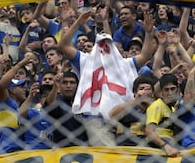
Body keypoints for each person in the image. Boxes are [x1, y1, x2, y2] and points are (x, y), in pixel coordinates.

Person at [58, 10, 155, 146]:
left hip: (122, 117)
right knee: (107, 155)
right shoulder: (85, 61)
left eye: (108, 44)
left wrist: (149, 33)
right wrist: (78, 22)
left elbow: (145, 55)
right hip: (95, 117)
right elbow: (63, 46)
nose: (104, 48)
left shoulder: (124, 64)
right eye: (101, 45)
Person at [109, 75, 155, 146]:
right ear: (135, 92)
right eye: (141, 89)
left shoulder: (155, 108)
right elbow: (112, 114)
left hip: (147, 149)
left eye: (148, 89)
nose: (144, 92)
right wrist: (137, 99)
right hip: (127, 147)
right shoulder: (129, 107)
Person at [46, 72, 88, 147]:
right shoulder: (57, 101)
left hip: (85, 148)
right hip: (63, 150)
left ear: (77, 86)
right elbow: (49, 104)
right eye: (64, 82)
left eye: (72, 82)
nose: (68, 86)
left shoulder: (84, 102)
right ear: (60, 86)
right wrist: (55, 87)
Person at [145, 74, 181, 157]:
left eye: (173, 89)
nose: (170, 93)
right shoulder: (157, 106)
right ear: (161, 92)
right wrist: (165, 146)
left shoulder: (172, 109)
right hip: (161, 142)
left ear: (177, 89)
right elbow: (148, 130)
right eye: (166, 90)